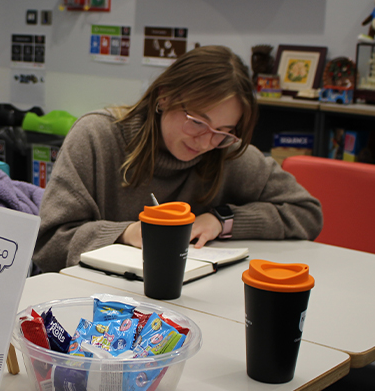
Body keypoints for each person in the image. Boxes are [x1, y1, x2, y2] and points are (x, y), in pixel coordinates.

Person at [32, 45, 322, 274]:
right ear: (165, 97)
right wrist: (126, 233)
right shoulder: (97, 137)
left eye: (224, 131)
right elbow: (48, 243)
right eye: (197, 121)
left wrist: (223, 220)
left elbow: (306, 212)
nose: (206, 142)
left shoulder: (226, 152)